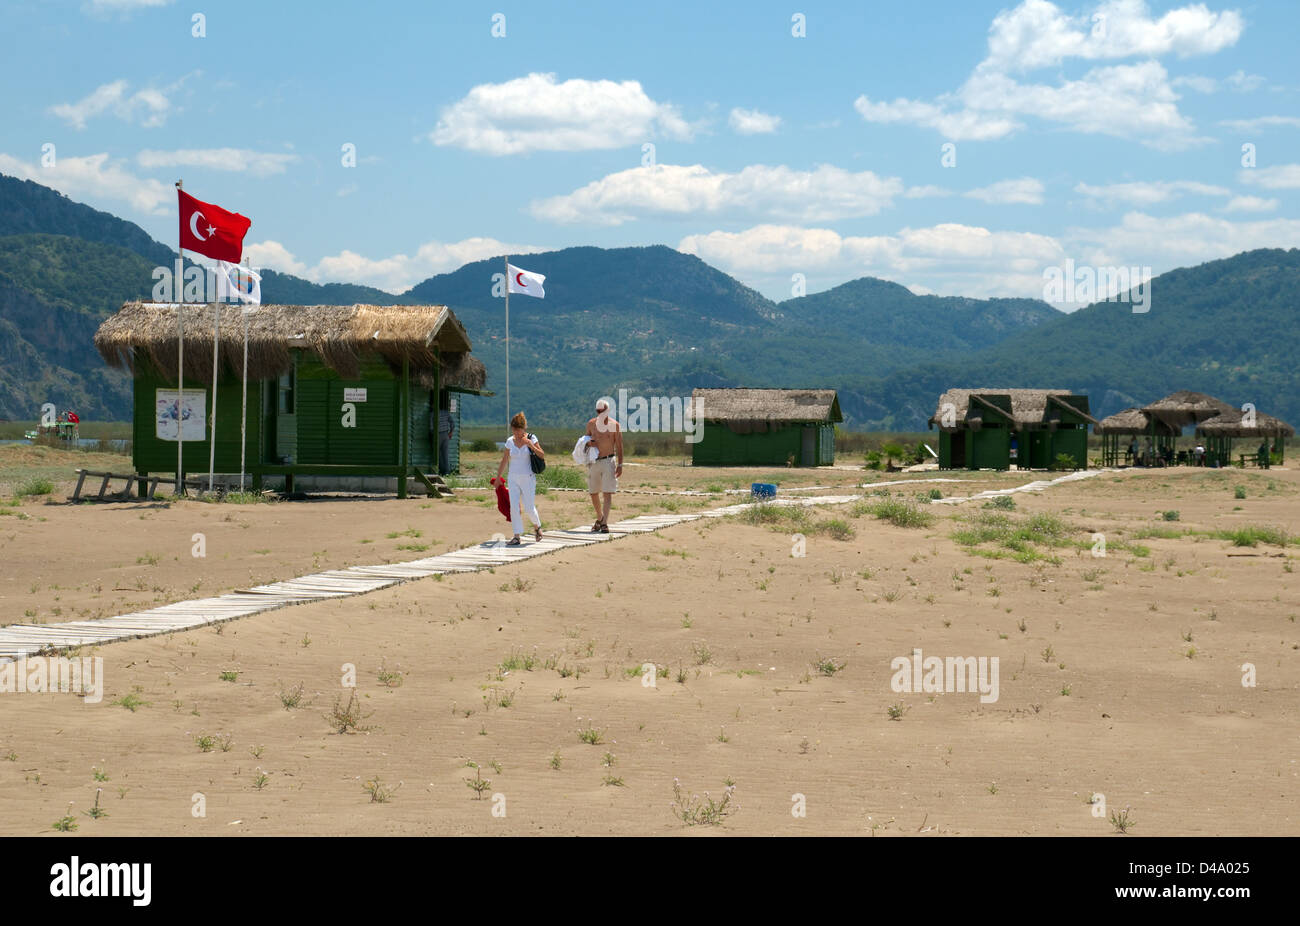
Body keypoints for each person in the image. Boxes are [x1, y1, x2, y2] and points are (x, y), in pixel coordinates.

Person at [495, 412, 544, 545]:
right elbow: (505, 459)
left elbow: (542, 455)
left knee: (529, 507)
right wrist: (498, 476)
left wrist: (531, 446)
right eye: (514, 429)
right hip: (513, 477)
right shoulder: (510, 441)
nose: (516, 432)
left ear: (524, 428)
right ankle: (517, 536)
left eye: (518, 429)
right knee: (514, 508)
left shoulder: (532, 438)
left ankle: (537, 526)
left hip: (528, 477)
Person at [585, 398, 624, 533]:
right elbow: (584, 442)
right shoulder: (591, 424)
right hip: (594, 461)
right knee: (593, 492)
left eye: (603, 411)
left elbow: (619, 445)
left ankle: (604, 523)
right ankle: (600, 517)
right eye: (598, 411)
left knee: (607, 492)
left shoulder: (614, 425)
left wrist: (620, 464)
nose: (600, 413)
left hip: (608, 460)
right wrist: (589, 444)